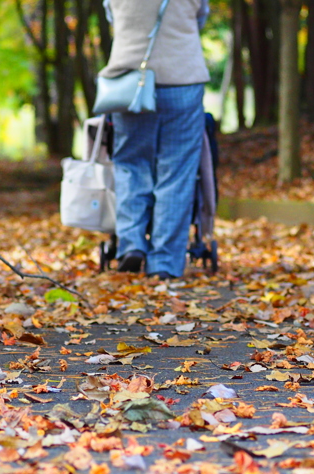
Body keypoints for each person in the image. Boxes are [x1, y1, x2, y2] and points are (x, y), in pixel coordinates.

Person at [99, 0, 209, 279]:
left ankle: (132, 244)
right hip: (182, 80)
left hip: (129, 82)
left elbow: (114, 19)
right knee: (177, 173)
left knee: (130, 164)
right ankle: (164, 263)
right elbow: (200, 19)